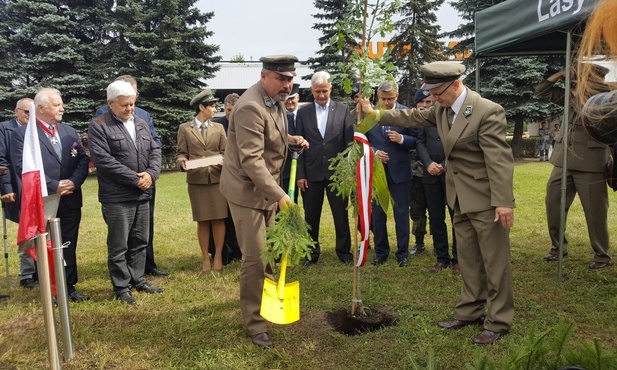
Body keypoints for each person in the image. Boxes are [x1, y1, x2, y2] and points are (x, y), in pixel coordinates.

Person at [359, 61, 515, 345]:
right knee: (467, 259)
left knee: (495, 263)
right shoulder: (443, 109)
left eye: (437, 92)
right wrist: (376, 114)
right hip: (458, 197)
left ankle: (499, 320)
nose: (433, 99)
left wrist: (503, 201)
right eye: (429, 93)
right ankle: (470, 310)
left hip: (486, 200)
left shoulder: (486, 111)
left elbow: (500, 160)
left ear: (456, 84)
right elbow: (411, 117)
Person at [219, 54, 308, 348]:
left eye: (290, 78)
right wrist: (281, 196)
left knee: (269, 253)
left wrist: (290, 139)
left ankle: (264, 305)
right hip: (247, 192)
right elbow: (252, 161)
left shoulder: (275, 100)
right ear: (264, 75)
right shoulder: (249, 107)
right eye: (282, 78)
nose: (288, 85)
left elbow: (270, 137)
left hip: (267, 190)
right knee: (256, 258)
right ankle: (255, 324)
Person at [88, 81, 164, 305]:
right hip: (117, 197)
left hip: (142, 194)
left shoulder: (140, 123)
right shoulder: (99, 125)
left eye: (132, 104)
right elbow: (104, 161)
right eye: (124, 105)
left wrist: (151, 174)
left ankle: (138, 279)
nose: (130, 109)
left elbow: (155, 150)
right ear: (110, 104)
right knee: (119, 244)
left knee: (140, 240)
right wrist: (135, 179)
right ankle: (121, 287)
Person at [11, 89, 90, 302]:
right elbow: (22, 167)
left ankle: (69, 286)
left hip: (71, 198)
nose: (62, 108)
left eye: (61, 104)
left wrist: (73, 181)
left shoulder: (69, 131)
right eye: (56, 104)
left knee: (68, 243)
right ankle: (50, 290)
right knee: (45, 244)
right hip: (43, 200)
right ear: (41, 108)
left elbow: (83, 159)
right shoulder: (23, 135)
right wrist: (53, 185)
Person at [536, 69, 611, 269]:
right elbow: (541, 90)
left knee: (595, 212)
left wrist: (580, 91)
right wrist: (560, 74)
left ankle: (602, 255)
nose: (575, 80)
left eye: (580, 77)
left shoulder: (605, 98)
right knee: (553, 204)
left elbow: (594, 113)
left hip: (591, 162)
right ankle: (558, 248)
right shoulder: (569, 95)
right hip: (563, 161)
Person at [296, 71, 354, 265]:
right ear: (311, 91)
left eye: (325, 91)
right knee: (310, 216)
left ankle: (344, 253)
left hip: (337, 175)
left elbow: (349, 145)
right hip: (311, 174)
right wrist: (301, 175)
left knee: (341, 216)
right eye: (318, 91)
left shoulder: (343, 110)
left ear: (331, 89)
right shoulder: (303, 112)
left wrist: (347, 173)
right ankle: (310, 254)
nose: (321, 95)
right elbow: (299, 146)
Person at [365, 80, 416, 267]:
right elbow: (360, 141)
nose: (387, 102)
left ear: (397, 96)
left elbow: (417, 140)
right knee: (378, 214)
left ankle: (402, 253)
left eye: (391, 98)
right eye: (384, 98)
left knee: (401, 213)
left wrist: (402, 138)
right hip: (377, 172)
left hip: (400, 172)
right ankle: (381, 252)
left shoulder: (405, 112)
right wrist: (374, 152)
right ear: (378, 96)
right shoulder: (369, 114)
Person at [177, 89, 227, 272]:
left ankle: (219, 255)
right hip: (197, 182)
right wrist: (182, 162)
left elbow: (226, 152)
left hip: (217, 179)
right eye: (212, 106)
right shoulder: (184, 129)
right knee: (203, 221)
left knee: (219, 219)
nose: (215, 109)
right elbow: (181, 153)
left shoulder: (219, 128)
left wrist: (224, 161)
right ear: (201, 107)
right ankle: (205, 257)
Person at [415, 89, 459, 275]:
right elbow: (420, 142)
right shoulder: (427, 118)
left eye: (431, 98)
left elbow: (459, 145)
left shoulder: (453, 115)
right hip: (430, 175)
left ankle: (459, 259)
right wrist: (428, 163)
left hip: (451, 175)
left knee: (456, 218)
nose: (429, 102)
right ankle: (442, 258)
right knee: (436, 218)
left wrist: (443, 164)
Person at [0, 98, 38, 289]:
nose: (29, 116)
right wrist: (6, 188)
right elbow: (2, 162)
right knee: (27, 229)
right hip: (18, 186)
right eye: (26, 112)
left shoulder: (37, 127)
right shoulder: (4, 129)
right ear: (16, 111)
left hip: (38, 188)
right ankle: (27, 274)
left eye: (32, 112)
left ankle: (41, 270)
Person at [212, 93, 242, 264]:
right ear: (225, 108)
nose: (232, 113)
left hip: (242, 177)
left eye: (235, 110)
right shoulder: (217, 125)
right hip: (221, 177)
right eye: (229, 110)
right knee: (224, 215)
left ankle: (240, 248)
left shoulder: (246, 124)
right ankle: (226, 250)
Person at [282, 83, 300, 201]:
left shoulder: (305, 115)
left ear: (297, 97)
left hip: (303, 168)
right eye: (286, 99)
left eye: (292, 98)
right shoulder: (278, 115)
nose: (289, 102)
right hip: (284, 169)